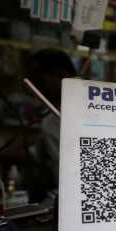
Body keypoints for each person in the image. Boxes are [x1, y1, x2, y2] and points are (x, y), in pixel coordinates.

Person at [26, 49, 77, 190]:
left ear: (60, 75)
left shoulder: (55, 120)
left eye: (39, 80)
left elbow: (65, 177)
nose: (36, 89)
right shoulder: (50, 116)